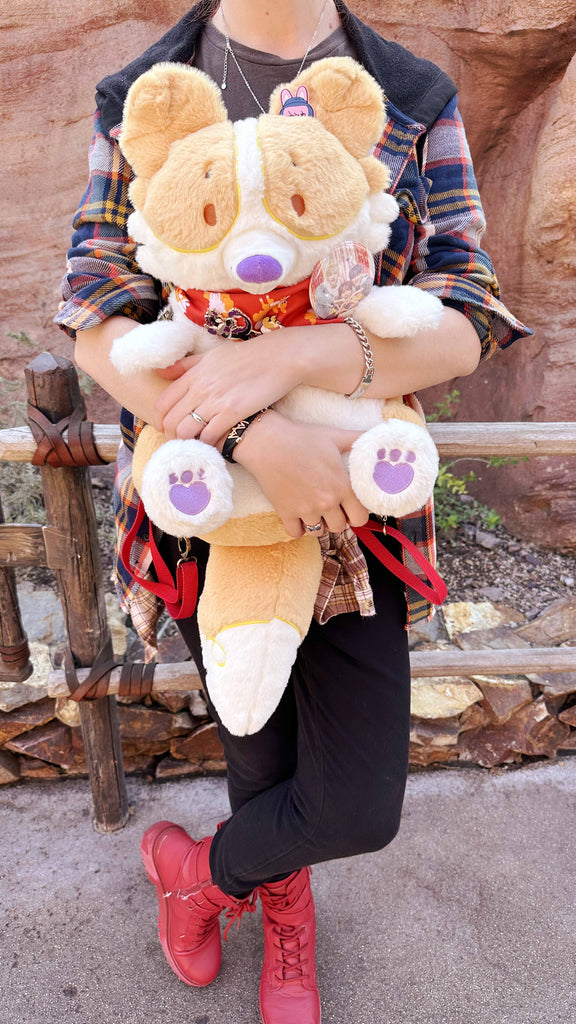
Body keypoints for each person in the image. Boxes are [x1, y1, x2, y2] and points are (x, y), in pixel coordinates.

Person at [55, 1, 531, 1020]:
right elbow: (94, 309)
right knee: (256, 745)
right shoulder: (148, 91)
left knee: (357, 802)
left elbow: (471, 311)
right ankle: (282, 909)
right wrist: (245, 431)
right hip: (209, 508)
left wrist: (300, 355)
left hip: (360, 515)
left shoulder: (405, 95)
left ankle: (200, 876)